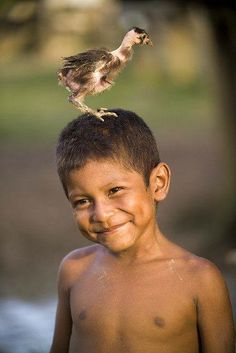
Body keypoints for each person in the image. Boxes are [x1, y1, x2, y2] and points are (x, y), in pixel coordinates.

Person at [50, 109, 235, 353]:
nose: (101, 214)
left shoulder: (199, 279)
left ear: (158, 183)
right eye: (82, 201)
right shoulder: (74, 270)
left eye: (115, 190)